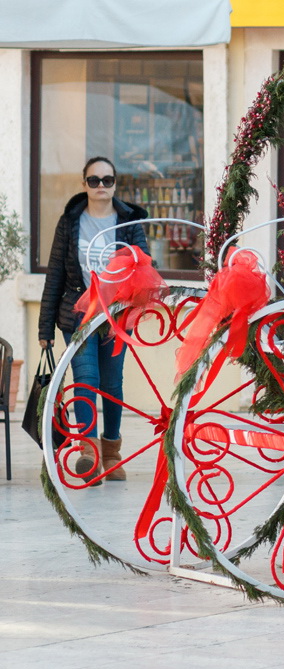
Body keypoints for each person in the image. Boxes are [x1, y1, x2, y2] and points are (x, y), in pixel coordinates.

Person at [39, 156, 149, 484]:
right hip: (78, 315)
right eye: (94, 180)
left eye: (107, 180)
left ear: (115, 183)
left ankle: (112, 452)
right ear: (84, 183)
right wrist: (45, 327)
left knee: (111, 384)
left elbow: (144, 266)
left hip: (117, 316)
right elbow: (55, 274)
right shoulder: (70, 222)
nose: (101, 185)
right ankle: (89, 453)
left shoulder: (129, 221)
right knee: (86, 379)